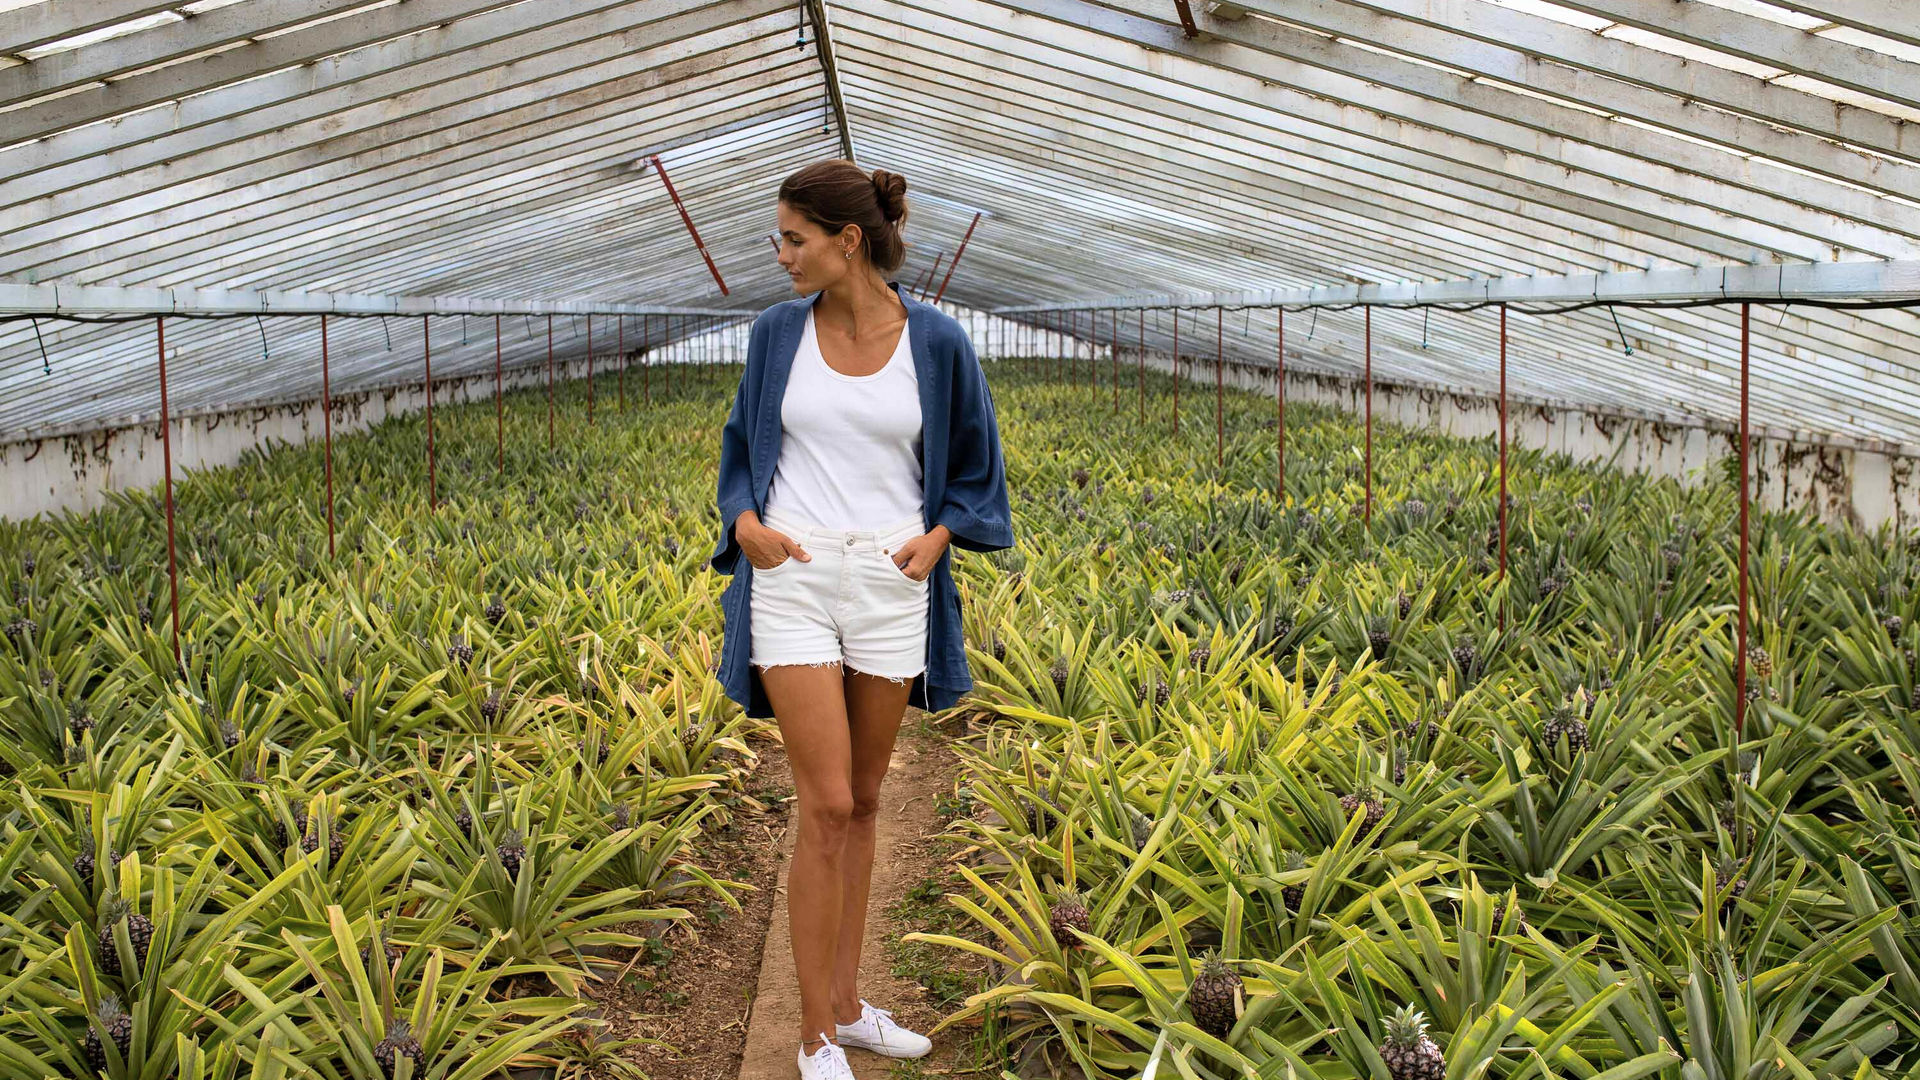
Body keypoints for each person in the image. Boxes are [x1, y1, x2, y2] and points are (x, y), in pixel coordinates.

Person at [706, 159, 1015, 1078]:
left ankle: (845, 1007)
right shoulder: (775, 335)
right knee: (828, 801)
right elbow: (738, 448)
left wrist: (943, 536)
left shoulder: (940, 344)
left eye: (794, 239)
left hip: (891, 579)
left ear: (848, 242)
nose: (782, 255)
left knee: (871, 798)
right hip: (794, 576)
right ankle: (808, 1040)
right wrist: (745, 523)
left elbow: (976, 467)